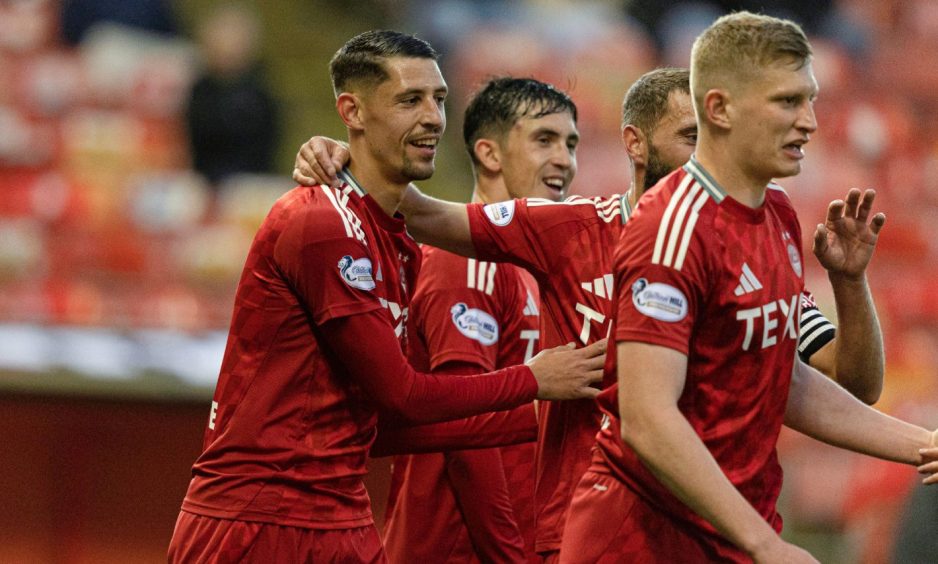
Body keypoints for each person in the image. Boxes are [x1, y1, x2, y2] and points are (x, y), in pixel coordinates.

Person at [294, 66, 885, 561]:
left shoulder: (749, 244)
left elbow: (841, 380)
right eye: (690, 138)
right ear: (635, 143)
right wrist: (349, 156)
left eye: (570, 142)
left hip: (708, 528)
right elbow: (424, 217)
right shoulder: (558, 235)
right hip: (583, 531)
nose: (709, 158)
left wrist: (850, 283)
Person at [166, 30, 605, 563]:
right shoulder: (321, 223)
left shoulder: (399, 245)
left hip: (343, 514)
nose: (434, 118)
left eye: (440, 100)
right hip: (259, 519)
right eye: (410, 100)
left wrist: (549, 410)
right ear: (351, 110)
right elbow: (402, 394)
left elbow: (380, 426)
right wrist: (534, 381)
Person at [558, 12, 938, 562]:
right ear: (719, 108)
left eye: (810, 100)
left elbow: (788, 380)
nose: (809, 122)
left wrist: (922, 444)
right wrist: (764, 544)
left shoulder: (776, 215)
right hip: (643, 542)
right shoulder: (673, 226)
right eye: (787, 102)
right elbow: (647, 418)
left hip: (728, 534)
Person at [382, 77, 579, 564]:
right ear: (490, 155)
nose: (565, 159)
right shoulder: (467, 264)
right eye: (544, 140)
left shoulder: (531, 268)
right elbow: (465, 427)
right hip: (457, 548)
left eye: (571, 143)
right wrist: (512, 557)